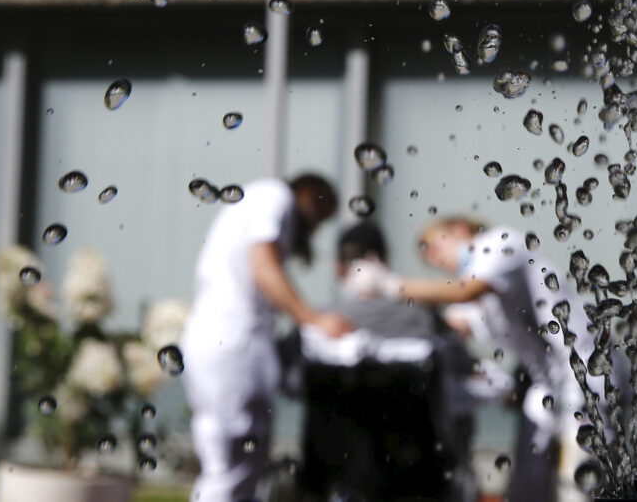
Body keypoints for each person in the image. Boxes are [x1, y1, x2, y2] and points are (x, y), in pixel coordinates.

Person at [353, 217, 595, 502]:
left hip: (587, 373)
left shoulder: (501, 243)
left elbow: (465, 292)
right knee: (529, 484)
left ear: (459, 229)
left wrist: (389, 284)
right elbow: (449, 326)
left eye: (431, 247)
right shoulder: (477, 279)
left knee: (577, 483)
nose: (432, 259)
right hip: (549, 386)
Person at [179, 174, 351, 502]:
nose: (314, 228)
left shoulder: (259, 203)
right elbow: (263, 265)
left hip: (224, 342)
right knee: (231, 469)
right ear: (310, 195)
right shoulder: (274, 195)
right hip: (232, 343)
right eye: (319, 215)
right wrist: (312, 319)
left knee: (236, 467)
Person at [297, 222, 478, 502]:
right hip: (415, 472)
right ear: (385, 260)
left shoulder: (317, 322)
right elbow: (465, 370)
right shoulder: (425, 318)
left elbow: (288, 381)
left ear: (338, 268)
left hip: (334, 469)